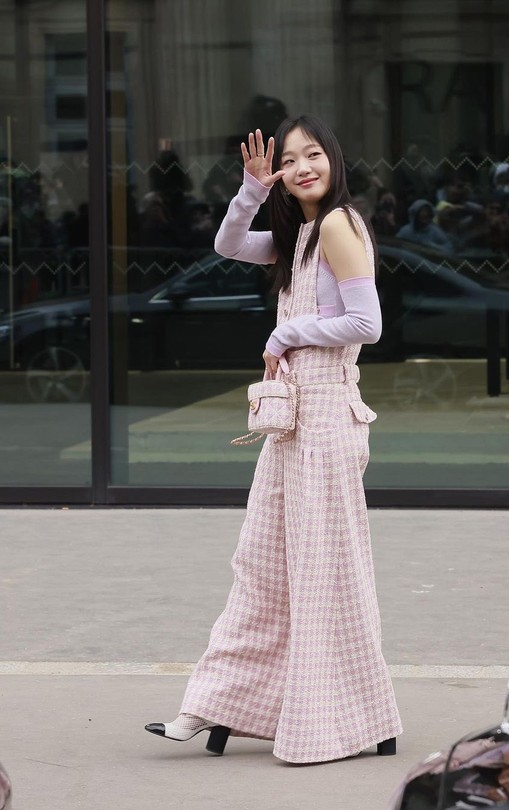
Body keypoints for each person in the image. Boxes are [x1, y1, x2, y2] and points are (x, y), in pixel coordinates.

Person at [145, 115, 403, 764]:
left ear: (333, 159)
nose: (303, 167)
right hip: (293, 428)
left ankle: (331, 721)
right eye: (290, 161)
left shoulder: (341, 224)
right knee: (262, 571)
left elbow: (367, 323)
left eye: (313, 154)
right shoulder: (300, 234)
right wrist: (251, 190)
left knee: (319, 581)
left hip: (327, 426)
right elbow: (229, 245)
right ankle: (211, 705)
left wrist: (286, 334)